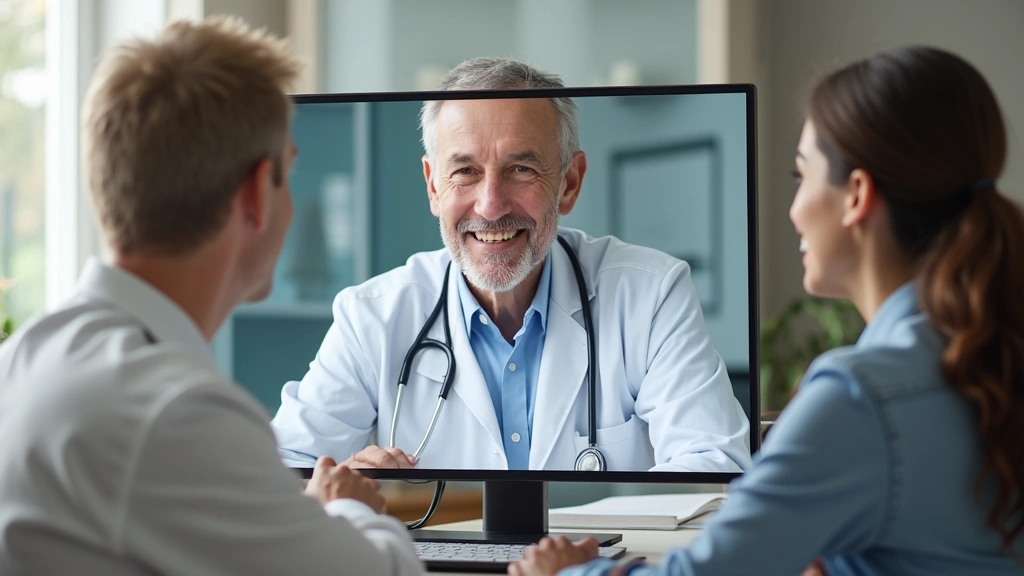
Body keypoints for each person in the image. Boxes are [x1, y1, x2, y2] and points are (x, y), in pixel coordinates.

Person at [509, 45, 1024, 576]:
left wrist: (565, 572)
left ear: (856, 196)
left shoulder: (859, 398)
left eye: (802, 177)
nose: (793, 209)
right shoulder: (991, 360)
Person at [0, 17, 422, 576]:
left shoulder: (24, 359)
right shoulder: (173, 414)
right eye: (287, 178)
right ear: (255, 194)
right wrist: (349, 509)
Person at [270, 57, 751, 473]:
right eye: (465, 171)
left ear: (569, 182)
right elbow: (282, 472)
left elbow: (714, 465)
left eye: (521, 169)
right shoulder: (371, 316)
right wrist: (337, 487)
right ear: (433, 187)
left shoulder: (651, 294)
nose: (491, 204)